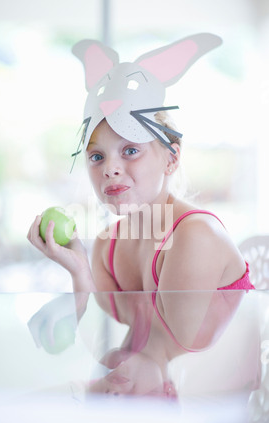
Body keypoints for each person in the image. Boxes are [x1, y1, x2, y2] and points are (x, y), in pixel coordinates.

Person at [27, 35, 255, 293]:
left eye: (131, 150)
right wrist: (79, 270)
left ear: (171, 158)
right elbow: (100, 333)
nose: (109, 168)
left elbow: (166, 336)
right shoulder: (107, 246)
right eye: (97, 156)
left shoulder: (195, 236)